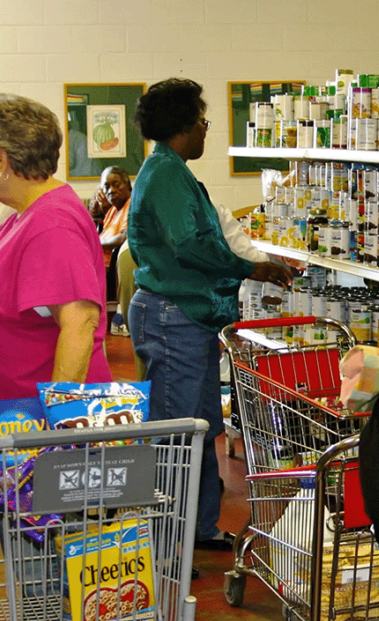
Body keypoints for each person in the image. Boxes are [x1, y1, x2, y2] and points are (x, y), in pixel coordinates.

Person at [0, 94, 112, 621]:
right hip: (13, 439)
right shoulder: (28, 214)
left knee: (49, 580)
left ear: (1, 157)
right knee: (37, 581)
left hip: (37, 443)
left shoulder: (50, 220)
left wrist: (53, 433)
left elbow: (77, 322)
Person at [127, 78, 291, 551]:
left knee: (201, 427)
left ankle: (196, 529)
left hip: (189, 318)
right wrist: (250, 267)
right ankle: (167, 541)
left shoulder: (172, 170)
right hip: (170, 316)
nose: (205, 130)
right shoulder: (165, 173)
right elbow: (191, 245)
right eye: (203, 121)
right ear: (183, 125)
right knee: (178, 433)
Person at [117, 198, 273, 381]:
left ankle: (149, 390)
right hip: (155, 262)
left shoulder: (184, 194)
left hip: (131, 254)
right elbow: (243, 251)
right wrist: (271, 267)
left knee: (145, 341)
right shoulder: (214, 208)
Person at [97, 165, 133, 335]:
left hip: (107, 272)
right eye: (106, 187)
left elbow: (125, 237)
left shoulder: (131, 205)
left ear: (128, 185)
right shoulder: (112, 211)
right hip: (97, 266)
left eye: (116, 184)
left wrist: (94, 244)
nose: (111, 190)